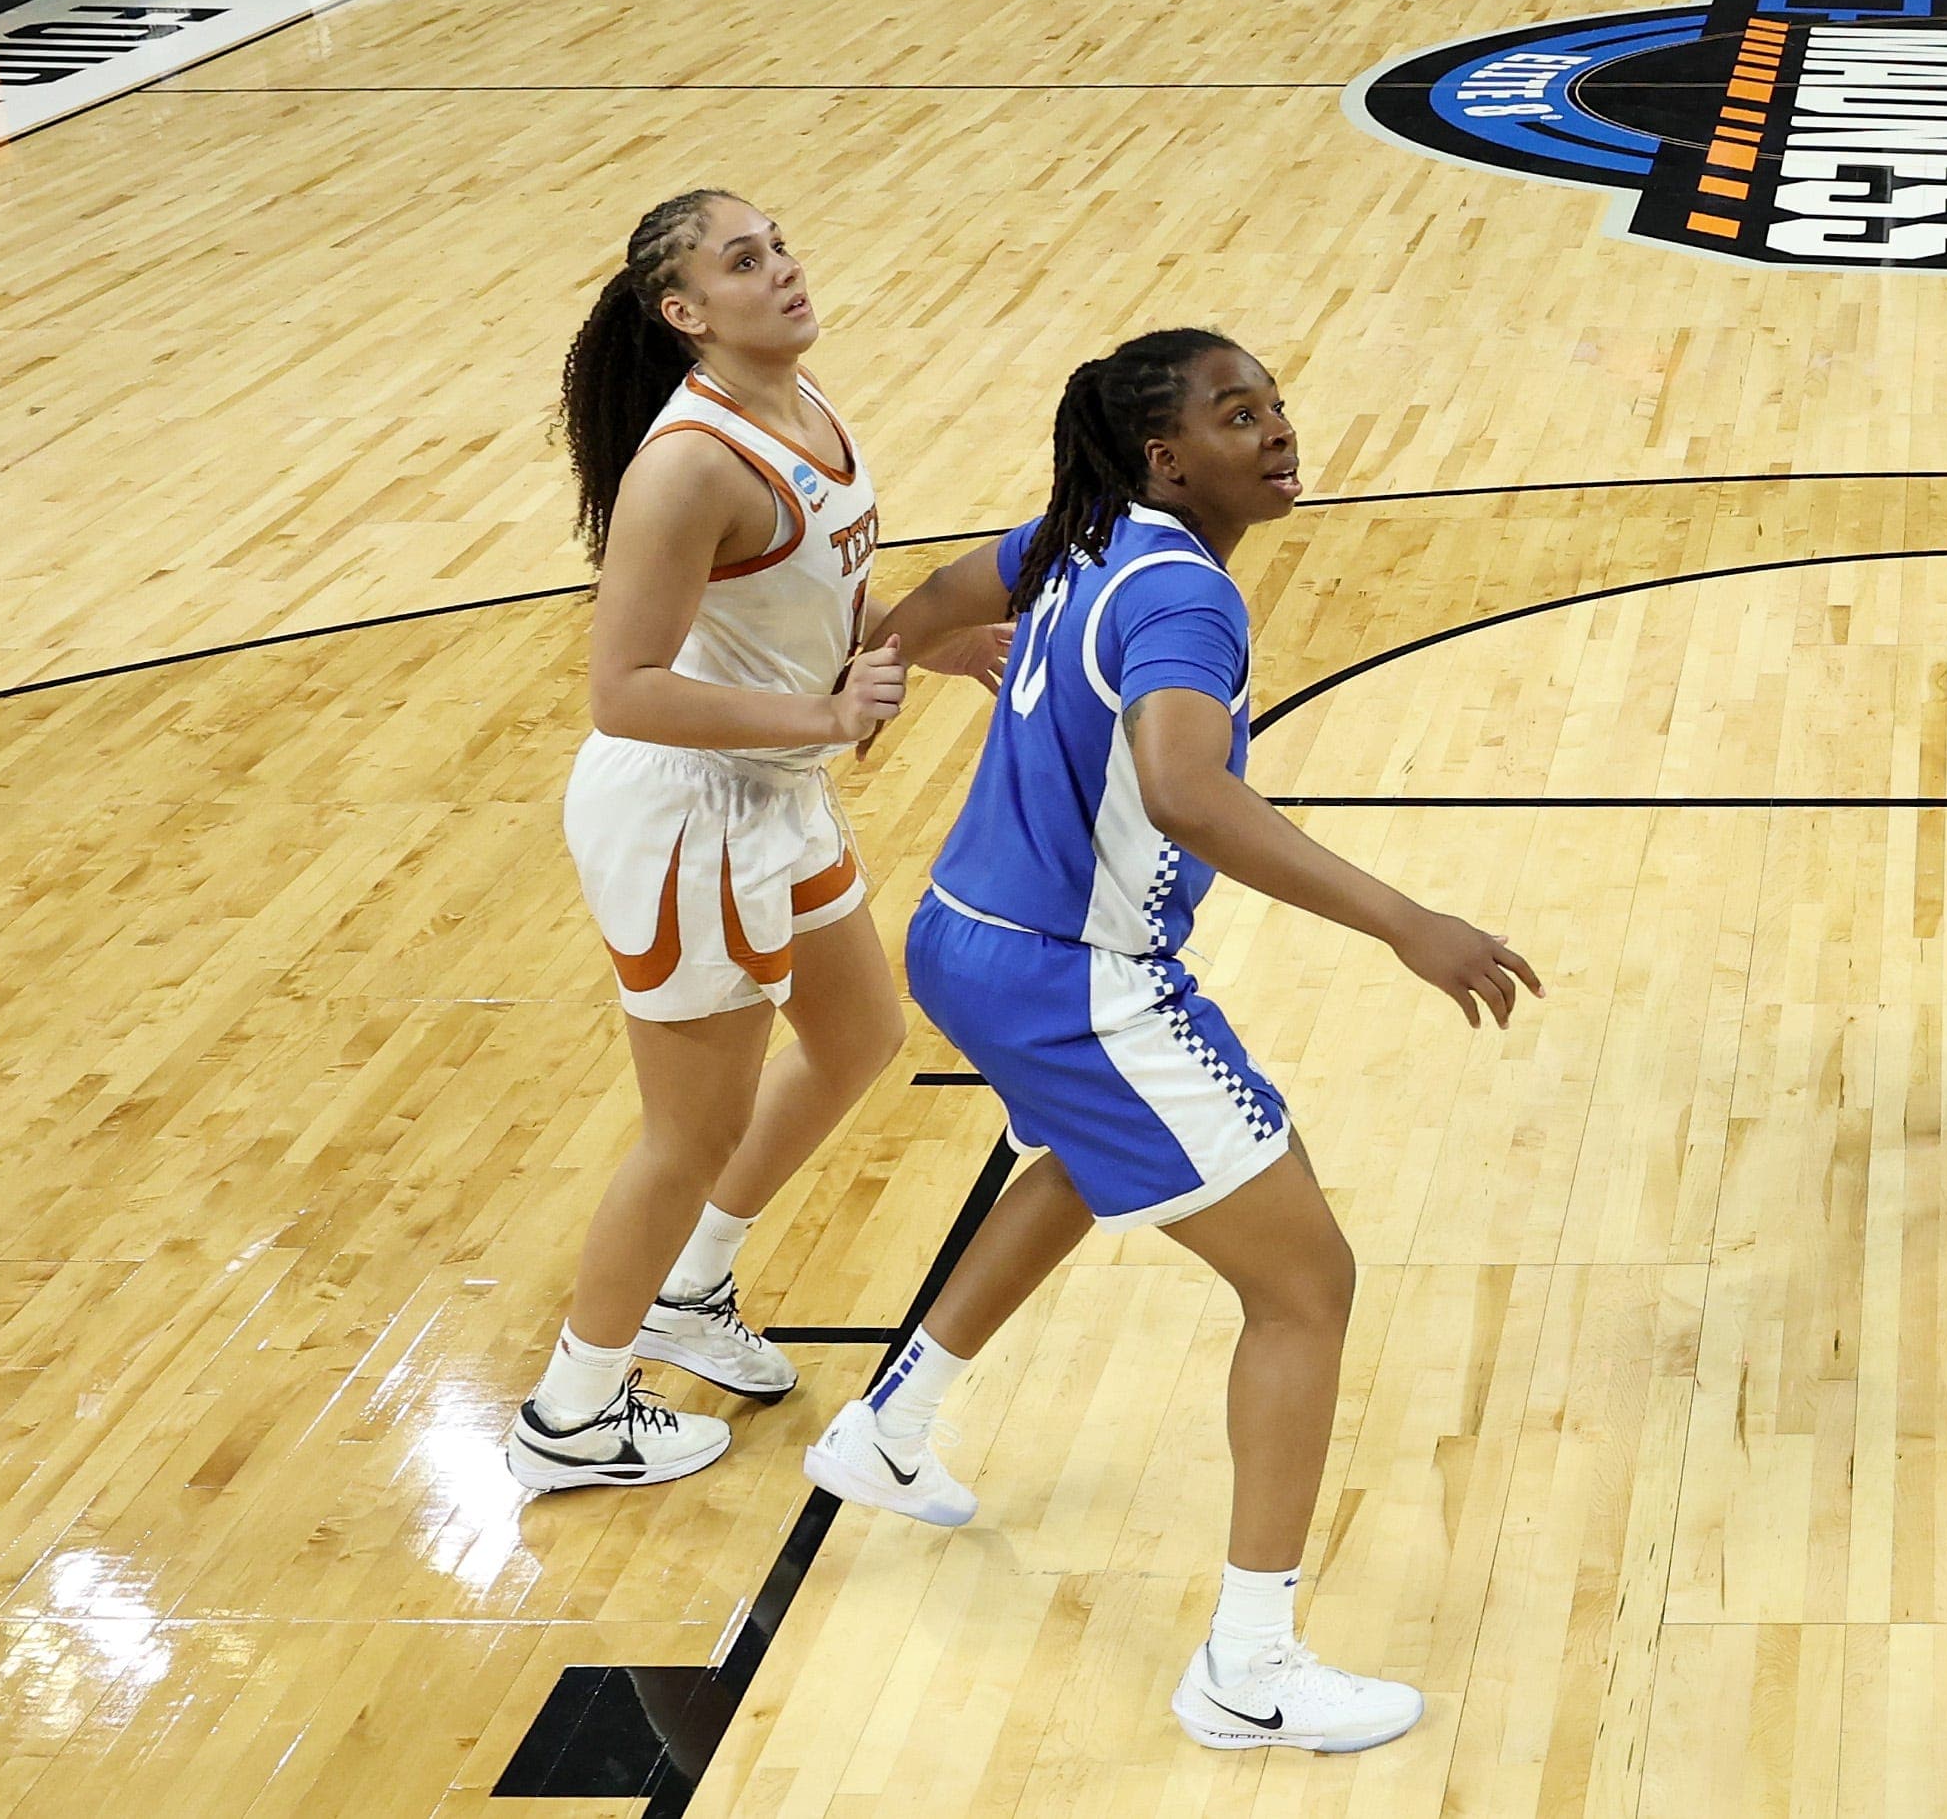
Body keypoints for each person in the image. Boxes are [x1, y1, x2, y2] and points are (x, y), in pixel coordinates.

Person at [812, 330, 1540, 1754]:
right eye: (1236, 414)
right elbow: (1189, 792)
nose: (1274, 432)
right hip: (1071, 979)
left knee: (1094, 1163)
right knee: (1306, 1279)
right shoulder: (1183, 597)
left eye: (1274, 405)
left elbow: (965, 586)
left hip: (962, 935)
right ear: (1167, 455)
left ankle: (893, 1420)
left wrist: (898, 660)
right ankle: (1246, 1669)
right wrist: (1404, 920)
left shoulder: (1083, 530)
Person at [514, 191, 1000, 1494]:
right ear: (684, 313)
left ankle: (690, 1287)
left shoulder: (805, 406)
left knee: (857, 1034)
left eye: (778, 245)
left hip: (767, 792)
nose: (781, 271)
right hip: (685, 815)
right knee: (689, 1129)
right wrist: (827, 713)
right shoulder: (685, 466)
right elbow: (623, 685)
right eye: (744, 262)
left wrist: (935, 647)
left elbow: (815, 608)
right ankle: (570, 1415)